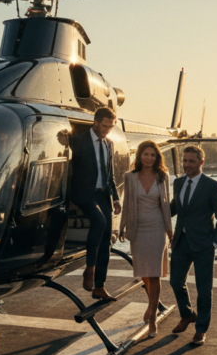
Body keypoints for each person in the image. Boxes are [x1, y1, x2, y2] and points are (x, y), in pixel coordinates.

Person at [169, 145, 217, 347]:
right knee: (176, 282)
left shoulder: (212, 185)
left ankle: (201, 329)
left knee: (204, 290)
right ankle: (187, 314)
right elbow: (173, 209)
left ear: (201, 162)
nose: (187, 165)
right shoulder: (177, 183)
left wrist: (214, 241)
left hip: (203, 244)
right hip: (180, 242)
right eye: (184, 161)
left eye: (191, 161)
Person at [119, 140, 173, 338]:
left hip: (158, 228)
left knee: (155, 272)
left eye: (152, 155)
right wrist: (122, 227)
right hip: (138, 228)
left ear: (157, 157)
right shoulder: (130, 177)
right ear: (139, 156)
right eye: (145, 154)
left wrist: (169, 229)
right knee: (144, 271)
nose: (149, 158)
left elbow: (166, 205)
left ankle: (152, 318)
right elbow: (126, 204)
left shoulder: (163, 176)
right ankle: (153, 305)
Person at [69, 107, 122, 301]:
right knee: (99, 221)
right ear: (96, 122)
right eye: (105, 126)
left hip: (103, 195)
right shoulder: (79, 141)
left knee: (107, 239)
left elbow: (110, 175)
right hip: (84, 193)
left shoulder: (109, 143)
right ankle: (89, 269)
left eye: (111, 127)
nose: (107, 130)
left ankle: (99, 286)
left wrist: (115, 197)